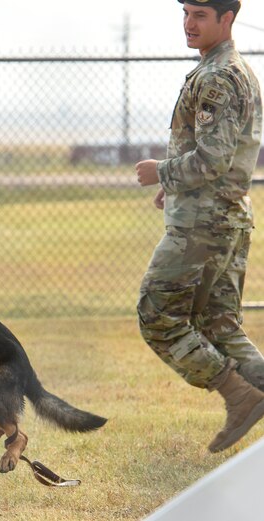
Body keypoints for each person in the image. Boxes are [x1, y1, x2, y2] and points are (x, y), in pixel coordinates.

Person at [136, 0, 264, 453]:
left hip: (203, 226)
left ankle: (239, 394)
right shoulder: (234, 70)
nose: (189, 24)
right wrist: (174, 190)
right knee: (220, 326)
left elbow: (213, 158)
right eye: (186, 13)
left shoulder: (217, 76)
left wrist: (163, 172)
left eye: (201, 15)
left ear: (227, 19)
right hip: (224, 217)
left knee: (157, 316)